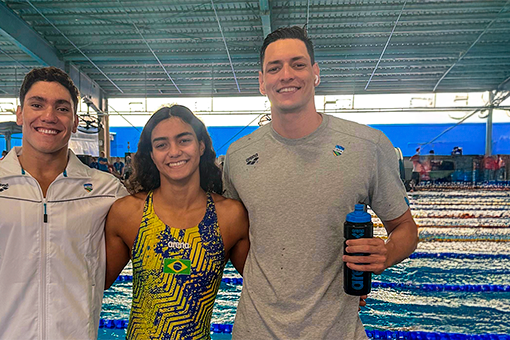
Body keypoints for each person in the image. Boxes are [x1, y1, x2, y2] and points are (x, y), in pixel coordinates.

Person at [222, 26, 419, 339]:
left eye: (298, 64)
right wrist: (274, 285)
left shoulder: (367, 145)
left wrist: (387, 253)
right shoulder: (238, 155)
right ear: (262, 81)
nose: (286, 75)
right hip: (255, 330)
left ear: (315, 73)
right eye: (274, 68)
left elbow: (405, 228)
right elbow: (234, 237)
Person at [0, 67, 128, 340]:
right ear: (20, 114)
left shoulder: (107, 190)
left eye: (62, 108)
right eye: (37, 104)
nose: (48, 116)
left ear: (75, 121)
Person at [105, 105, 249, 339]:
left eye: (184, 140)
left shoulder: (229, 217)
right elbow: (93, 281)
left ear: (201, 146)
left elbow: (263, 286)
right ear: (152, 155)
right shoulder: (129, 213)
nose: (174, 152)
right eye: (161, 144)